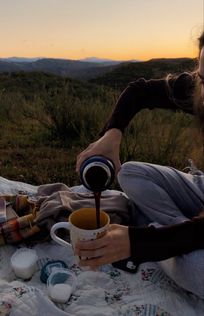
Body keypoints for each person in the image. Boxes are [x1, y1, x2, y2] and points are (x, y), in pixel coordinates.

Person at [75, 31, 204, 299]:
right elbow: (139, 91)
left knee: (198, 270)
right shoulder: (198, 90)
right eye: (203, 78)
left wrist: (140, 243)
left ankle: (173, 236)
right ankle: (180, 233)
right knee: (131, 172)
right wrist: (112, 134)